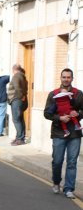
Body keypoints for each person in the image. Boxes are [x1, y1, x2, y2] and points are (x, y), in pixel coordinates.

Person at [43, 68, 83, 199]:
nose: (66, 79)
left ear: (72, 78)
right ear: (60, 78)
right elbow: (47, 113)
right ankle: (56, 182)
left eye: (68, 77)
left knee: (72, 162)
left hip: (75, 134)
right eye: (64, 77)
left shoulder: (79, 94)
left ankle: (69, 189)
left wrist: (78, 114)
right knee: (57, 161)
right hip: (58, 132)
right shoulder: (53, 94)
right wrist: (59, 118)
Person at [7, 64, 28, 145]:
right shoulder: (23, 76)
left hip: (16, 100)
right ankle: (20, 137)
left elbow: (17, 87)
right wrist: (23, 97)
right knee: (20, 119)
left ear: (14, 69)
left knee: (16, 119)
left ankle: (20, 139)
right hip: (21, 100)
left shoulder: (16, 76)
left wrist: (20, 96)